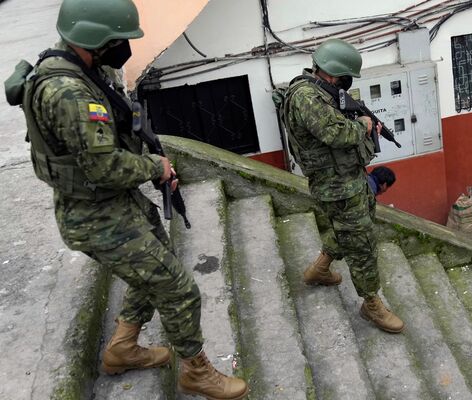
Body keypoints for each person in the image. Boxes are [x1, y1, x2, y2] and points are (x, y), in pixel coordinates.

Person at [11, 1, 248, 398]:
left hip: (113, 202)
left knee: (157, 266)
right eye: (118, 40)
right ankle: (196, 371)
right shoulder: (69, 93)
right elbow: (104, 168)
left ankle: (122, 348)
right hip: (96, 216)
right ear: (96, 41)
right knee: (179, 289)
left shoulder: (82, 67)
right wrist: (156, 167)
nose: (125, 47)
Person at [281, 38, 404, 333]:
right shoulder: (306, 97)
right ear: (336, 73)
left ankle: (319, 268)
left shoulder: (317, 92)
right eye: (346, 77)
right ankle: (371, 304)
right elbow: (337, 135)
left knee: (351, 230)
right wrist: (363, 125)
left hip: (347, 181)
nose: (346, 83)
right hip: (338, 187)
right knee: (362, 245)